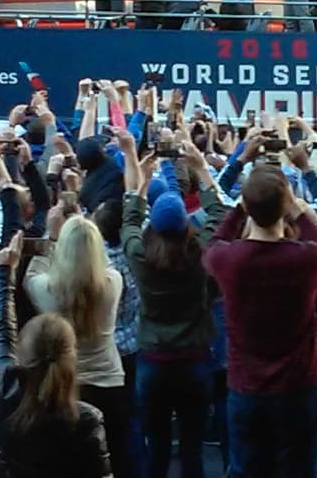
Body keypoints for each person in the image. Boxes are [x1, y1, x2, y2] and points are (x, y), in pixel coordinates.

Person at [202, 165, 317, 477]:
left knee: (248, 469)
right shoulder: (307, 259)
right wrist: (300, 212)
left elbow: (212, 245)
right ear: (285, 206)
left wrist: (237, 211)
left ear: (247, 206)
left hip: (246, 387)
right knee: (298, 468)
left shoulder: (228, 259)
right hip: (298, 387)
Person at [120, 137, 228, 478]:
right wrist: (200, 169)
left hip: (152, 362)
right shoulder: (200, 253)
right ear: (185, 224)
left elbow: (129, 222)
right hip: (194, 361)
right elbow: (221, 213)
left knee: (158, 450)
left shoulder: (139, 255)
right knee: (193, 452)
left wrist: (139, 184)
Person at [0, 232, 111, 477]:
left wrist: (3, 273)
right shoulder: (86, 421)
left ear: (23, 353)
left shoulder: (4, 390)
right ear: (71, 357)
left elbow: (3, 330)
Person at [22, 215, 132, 478]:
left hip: (66, 386)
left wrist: (51, 238)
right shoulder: (113, 282)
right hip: (109, 383)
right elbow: (101, 263)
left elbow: (30, 275)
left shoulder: (45, 288)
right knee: (112, 460)